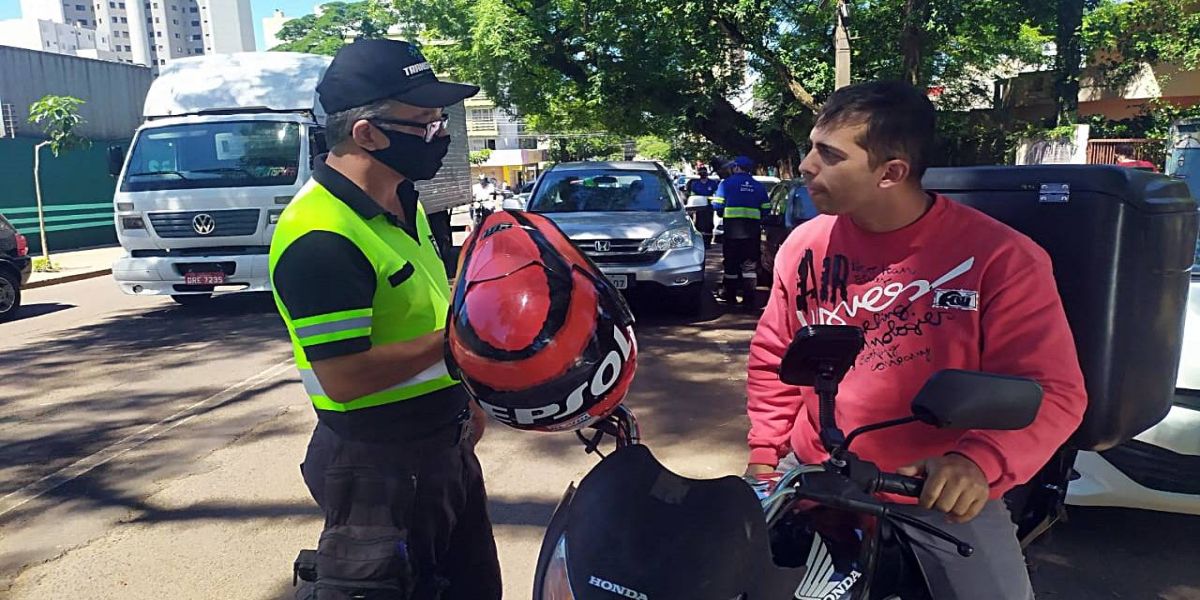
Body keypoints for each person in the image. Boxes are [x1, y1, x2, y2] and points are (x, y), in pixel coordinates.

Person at [744, 80, 1088, 599]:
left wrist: (978, 463)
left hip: (932, 492)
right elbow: (776, 353)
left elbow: (1054, 390)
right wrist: (765, 455)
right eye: (812, 146)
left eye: (830, 155)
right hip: (813, 473)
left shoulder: (1002, 258)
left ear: (891, 173)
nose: (808, 165)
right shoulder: (804, 245)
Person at [268, 39, 501, 600]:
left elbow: (420, 308)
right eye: (423, 121)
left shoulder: (402, 199)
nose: (439, 132)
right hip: (378, 467)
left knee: (472, 588)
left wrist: (464, 400)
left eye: (440, 118)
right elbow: (344, 377)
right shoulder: (320, 236)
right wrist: (457, 340)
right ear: (367, 133)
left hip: (440, 443)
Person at [712, 156, 770, 308]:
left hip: (732, 233)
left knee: (731, 265)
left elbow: (717, 206)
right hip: (752, 233)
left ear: (736, 167)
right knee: (750, 266)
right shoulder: (758, 186)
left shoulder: (726, 184)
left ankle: (730, 297)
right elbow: (766, 209)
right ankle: (749, 299)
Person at [685, 165, 720, 245]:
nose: (703, 174)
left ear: (707, 173)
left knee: (709, 224)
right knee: (699, 224)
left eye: (704, 172)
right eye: (701, 172)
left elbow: (716, 194)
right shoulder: (695, 184)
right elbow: (692, 196)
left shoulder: (712, 183)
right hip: (699, 208)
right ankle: (701, 241)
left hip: (709, 207)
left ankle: (708, 242)